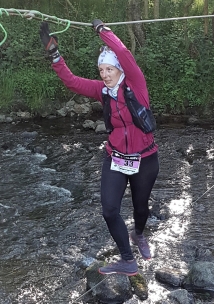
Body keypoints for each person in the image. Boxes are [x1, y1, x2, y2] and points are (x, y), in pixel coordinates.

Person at [39, 20, 159, 276]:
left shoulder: (136, 85)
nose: (104, 74)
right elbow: (72, 82)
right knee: (109, 210)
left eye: (108, 69)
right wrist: (54, 55)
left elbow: (125, 55)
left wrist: (103, 32)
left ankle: (138, 234)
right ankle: (128, 260)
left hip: (145, 158)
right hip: (115, 157)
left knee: (141, 207)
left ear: (119, 70)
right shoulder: (102, 91)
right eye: (101, 70)